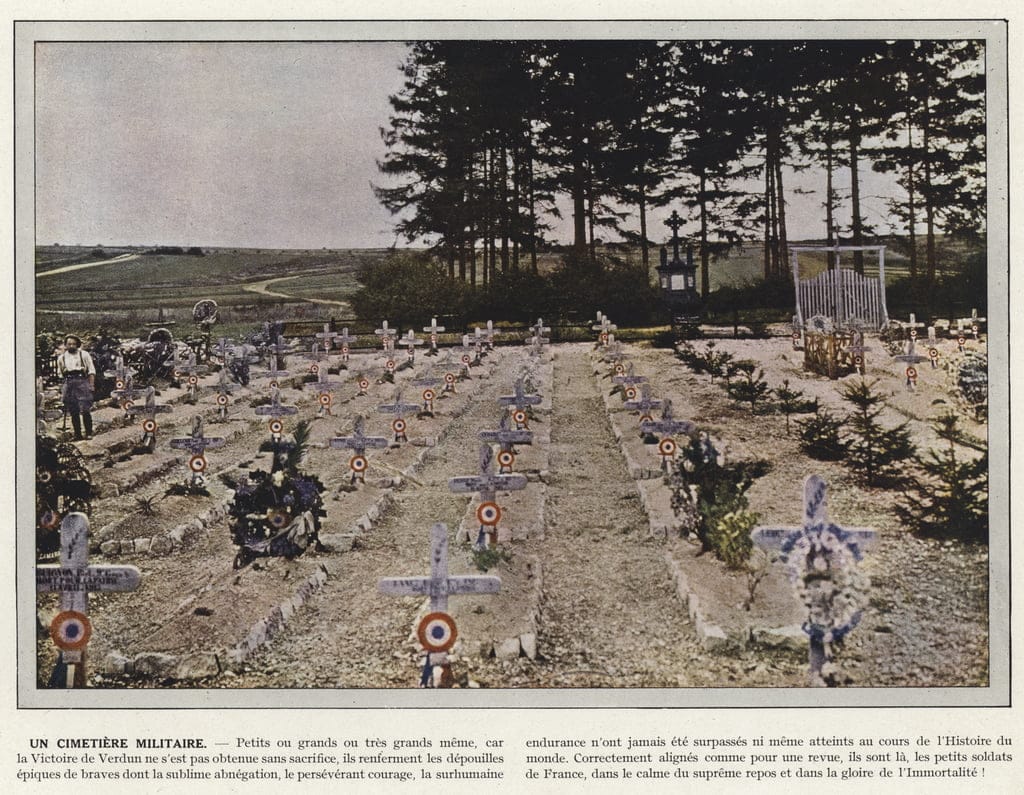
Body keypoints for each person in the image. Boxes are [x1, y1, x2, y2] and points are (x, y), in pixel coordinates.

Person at [55, 334, 96, 440]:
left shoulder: (84, 355)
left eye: (74, 344)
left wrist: (91, 385)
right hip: (69, 383)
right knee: (73, 410)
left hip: (82, 382)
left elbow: (91, 371)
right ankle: (77, 434)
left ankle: (88, 432)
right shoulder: (61, 358)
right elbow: (60, 374)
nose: (72, 346)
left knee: (85, 409)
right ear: (65, 345)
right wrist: (63, 388)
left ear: (77, 344)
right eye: (69, 344)